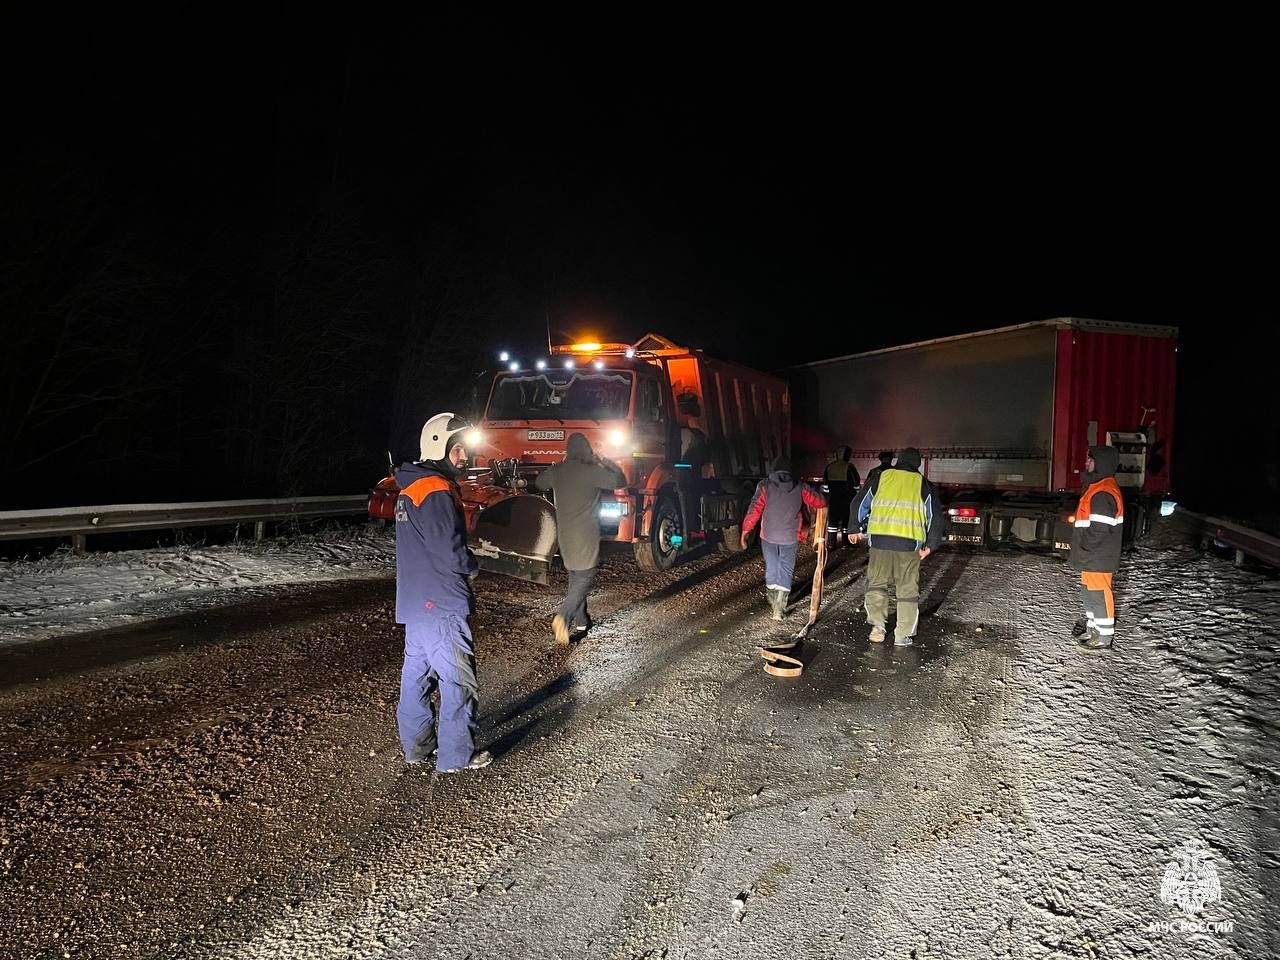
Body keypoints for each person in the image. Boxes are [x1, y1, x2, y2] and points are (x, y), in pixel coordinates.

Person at [393, 412, 491, 773]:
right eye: (459, 451)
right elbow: (446, 549)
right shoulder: (434, 489)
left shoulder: (409, 488)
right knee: (458, 679)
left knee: (416, 678)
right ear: (440, 447)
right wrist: (471, 565)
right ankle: (455, 756)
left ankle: (417, 748)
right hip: (441, 604)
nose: (464, 458)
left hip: (416, 603)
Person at [533, 433, 627, 645]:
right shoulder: (592, 471)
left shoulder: (559, 471)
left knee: (576, 576)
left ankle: (582, 621)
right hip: (586, 534)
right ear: (587, 450)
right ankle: (563, 617)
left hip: (565, 534)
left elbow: (539, 483)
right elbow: (620, 480)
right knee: (584, 577)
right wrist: (604, 461)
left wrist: (554, 468)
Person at [851, 447, 943, 645]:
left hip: (880, 543)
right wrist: (931, 545)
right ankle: (902, 634)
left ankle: (878, 627)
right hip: (909, 546)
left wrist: (854, 528)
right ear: (917, 464)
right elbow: (934, 518)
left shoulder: (880, 477)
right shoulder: (923, 485)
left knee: (876, 584)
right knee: (907, 589)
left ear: (898, 460)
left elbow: (859, 503)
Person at [740, 454, 828, 620]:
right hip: (790, 537)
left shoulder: (764, 486)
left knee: (772, 567)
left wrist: (745, 532)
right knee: (786, 569)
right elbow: (820, 502)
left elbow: (754, 510)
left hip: (768, 537)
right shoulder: (800, 487)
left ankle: (773, 602)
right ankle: (780, 608)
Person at [1071, 445, 1125, 650]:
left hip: (1097, 555)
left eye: (1090, 460)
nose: (1086, 464)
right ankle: (1093, 630)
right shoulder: (1098, 486)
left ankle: (1103, 637)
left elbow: (1100, 529)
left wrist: (1085, 547)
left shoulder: (1103, 491)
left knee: (1100, 594)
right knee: (1090, 593)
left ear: (1101, 463)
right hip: (1092, 555)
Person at [823, 446, 861, 543]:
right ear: (846, 455)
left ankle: (831, 542)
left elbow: (825, 486)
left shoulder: (829, 467)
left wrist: (827, 497)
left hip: (833, 498)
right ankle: (846, 541)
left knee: (833, 520)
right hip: (847, 498)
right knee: (846, 519)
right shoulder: (849, 467)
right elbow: (856, 484)